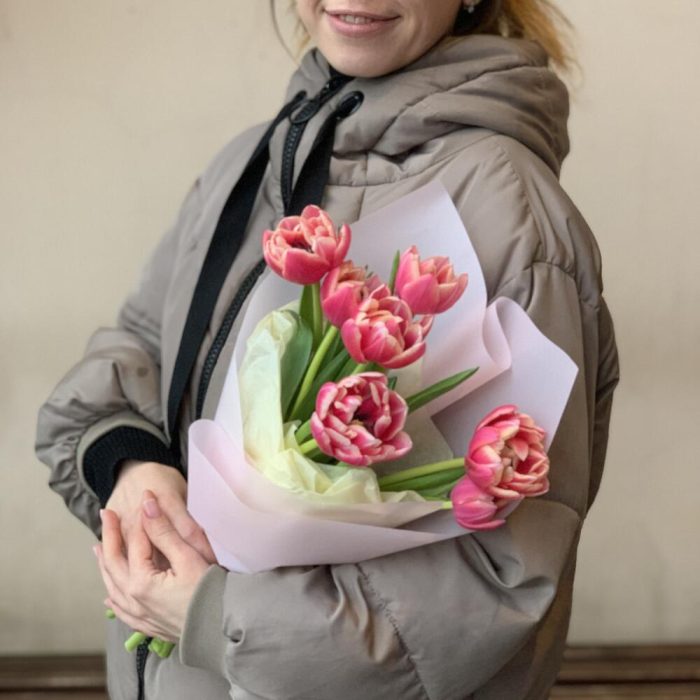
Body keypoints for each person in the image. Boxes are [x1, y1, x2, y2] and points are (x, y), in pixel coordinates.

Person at [36, 1, 620, 698]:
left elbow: (496, 581)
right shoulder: (251, 164)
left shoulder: (509, 211)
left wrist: (217, 617)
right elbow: (134, 350)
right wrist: (133, 466)